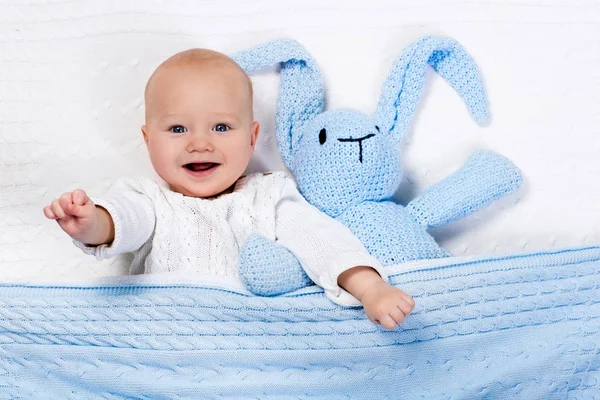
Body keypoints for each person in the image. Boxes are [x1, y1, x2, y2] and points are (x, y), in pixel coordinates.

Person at [42, 47, 415, 330]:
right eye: (177, 129)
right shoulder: (151, 200)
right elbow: (123, 221)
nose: (200, 144)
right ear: (147, 139)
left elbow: (321, 241)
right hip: (168, 337)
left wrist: (370, 289)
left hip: (249, 338)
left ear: (252, 138)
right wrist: (90, 221)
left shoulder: (268, 197)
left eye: (221, 128)